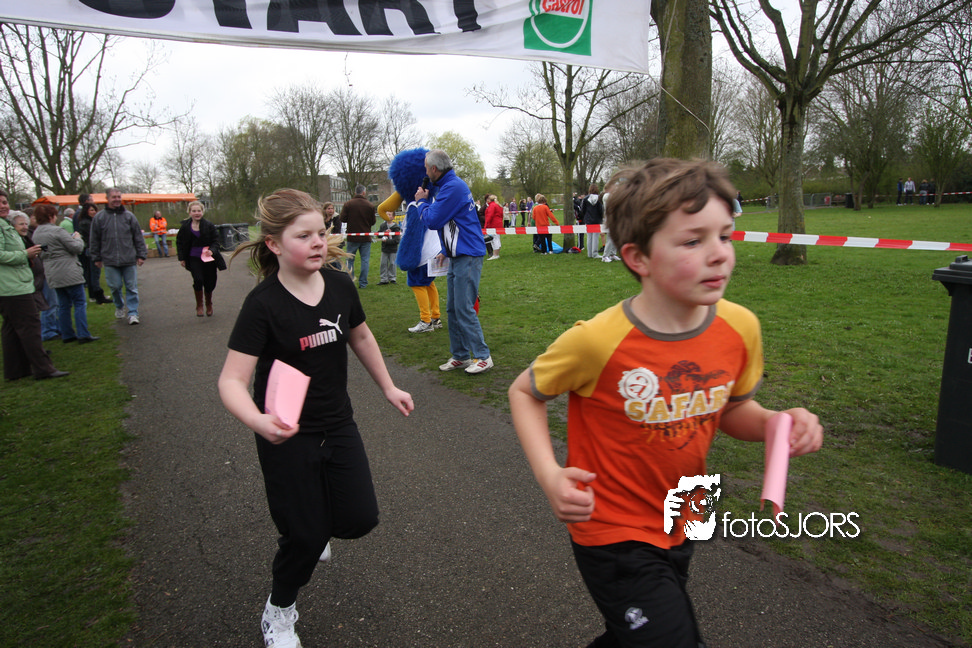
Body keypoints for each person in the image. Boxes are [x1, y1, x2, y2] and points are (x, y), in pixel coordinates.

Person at [508, 158, 823, 648]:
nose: (718, 255)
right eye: (693, 241)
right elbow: (524, 392)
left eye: (726, 236)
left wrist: (774, 423)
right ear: (638, 258)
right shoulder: (597, 341)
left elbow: (730, 409)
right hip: (612, 528)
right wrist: (550, 476)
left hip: (685, 515)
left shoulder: (740, 327)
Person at [217, 188, 413, 648]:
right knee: (304, 538)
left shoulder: (340, 285)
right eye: (303, 236)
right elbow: (231, 381)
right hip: (286, 433)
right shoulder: (263, 304)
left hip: (337, 423)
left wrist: (389, 387)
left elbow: (361, 337)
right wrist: (258, 421)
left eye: (321, 233)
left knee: (360, 519)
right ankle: (279, 612)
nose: (318, 242)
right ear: (273, 244)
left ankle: (314, 526)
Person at [414, 149, 493, 374]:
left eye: (426, 169)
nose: (425, 173)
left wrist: (421, 202)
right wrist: (445, 249)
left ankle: (483, 356)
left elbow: (433, 220)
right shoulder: (449, 186)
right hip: (458, 254)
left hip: (468, 255)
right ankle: (460, 355)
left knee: (463, 308)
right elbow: (452, 223)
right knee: (452, 308)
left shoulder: (452, 187)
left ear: (434, 169)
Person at [0, 190, 69, 380]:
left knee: (11, 328)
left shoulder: (5, 224)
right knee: (30, 326)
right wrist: (25, 254)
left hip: (12, 284)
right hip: (13, 287)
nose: (3, 206)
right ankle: (43, 368)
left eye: (5, 202)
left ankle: (16, 370)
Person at [31, 204, 98, 344]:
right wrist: (78, 238)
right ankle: (83, 334)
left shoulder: (36, 233)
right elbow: (77, 248)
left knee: (63, 304)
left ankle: (67, 334)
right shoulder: (57, 231)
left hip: (51, 271)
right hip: (68, 271)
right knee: (79, 302)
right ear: (51, 216)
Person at [89, 187, 148, 325]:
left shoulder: (129, 216)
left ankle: (133, 312)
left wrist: (141, 255)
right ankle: (119, 305)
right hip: (110, 259)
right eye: (114, 197)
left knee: (131, 287)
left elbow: (138, 237)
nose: (117, 199)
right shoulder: (100, 217)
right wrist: (96, 257)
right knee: (115, 286)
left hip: (128, 258)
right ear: (107, 199)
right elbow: (94, 239)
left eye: (118, 197)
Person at [176, 201, 223, 317]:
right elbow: (180, 242)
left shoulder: (209, 225)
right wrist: (182, 258)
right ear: (189, 213)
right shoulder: (185, 227)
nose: (197, 213)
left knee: (210, 282)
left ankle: (209, 304)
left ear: (202, 212)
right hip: (193, 258)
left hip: (208, 258)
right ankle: (199, 305)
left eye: (199, 211)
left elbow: (216, 241)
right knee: (198, 279)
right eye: (194, 211)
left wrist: (212, 250)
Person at [339, 185, 376, 289]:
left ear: (355, 192)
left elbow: (342, 218)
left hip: (352, 237)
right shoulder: (370, 205)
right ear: (364, 192)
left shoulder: (348, 204)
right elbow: (373, 221)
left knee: (350, 260)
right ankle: (363, 283)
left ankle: (350, 281)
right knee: (365, 260)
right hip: (366, 237)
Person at [74, 202, 111, 304]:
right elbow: (94, 237)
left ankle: (93, 295)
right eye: (91, 210)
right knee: (94, 274)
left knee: (91, 274)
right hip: (92, 250)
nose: (94, 212)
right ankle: (98, 295)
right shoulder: (87, 223)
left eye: (94, 210)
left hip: (90, 249)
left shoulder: (89, 221)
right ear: (86, 211)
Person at [581, 183, 604, 259]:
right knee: (595, 237)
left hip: (588, 220)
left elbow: (582, 209)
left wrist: (586, 217)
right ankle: (595, 253)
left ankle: (590, 253)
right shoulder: (599, 198)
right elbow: (601, 210)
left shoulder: (585, 199)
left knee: (589, 237)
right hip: (597, 220)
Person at [376, 215, 401, 285]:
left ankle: (392, 278)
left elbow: (397, 240)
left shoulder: (396, 227)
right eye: (386, 214)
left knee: (392, 263)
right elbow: (379, 235)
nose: (388, 216)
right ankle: (384, 279)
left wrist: (387, 241)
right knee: (383, 263)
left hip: (393, 249)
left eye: (390, 214)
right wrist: (384, 232)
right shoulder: (382, 225)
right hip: (384, 249)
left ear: (393, 217)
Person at [484, 194, 504, 260]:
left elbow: (489, 216)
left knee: (494, 239)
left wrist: (486, 225)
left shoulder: (492, 206)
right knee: (496, 238)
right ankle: (496, 254)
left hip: (493, 224)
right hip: (498, 224)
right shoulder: (498, 205)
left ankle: (495, 255)